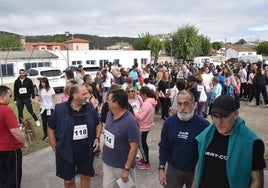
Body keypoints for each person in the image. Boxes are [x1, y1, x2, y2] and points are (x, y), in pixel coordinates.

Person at [193, 95, 266, 188]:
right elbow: (199, 167)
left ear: (235, 114)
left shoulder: (251, 143)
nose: (219, 122)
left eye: (224, 116)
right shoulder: (207, 135)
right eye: (215, 116)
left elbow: (257, 181)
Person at [48, 84, 102, 188]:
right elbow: (50, 131)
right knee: (68, 181)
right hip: (66, 152)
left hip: (86, 151)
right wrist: (56, 150)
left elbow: (98, 123)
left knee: (86, 177)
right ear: (74, 95)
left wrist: (97, 138)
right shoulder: (60, 109)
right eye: (84, 94)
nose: (88, 96)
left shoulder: (90, 107)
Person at [158, 90, 209, 188]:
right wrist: (161, 168)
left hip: (195, 172)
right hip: (173, 170)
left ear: (194, 104)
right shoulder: (169, 123)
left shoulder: (204, 126)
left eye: (186, 104)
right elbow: (164, 146)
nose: (182, 108)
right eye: (179, 104)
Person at [102, 89, 140, 188]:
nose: (107, 101)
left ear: (116, 104)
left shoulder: (130, 122)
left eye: (109, 100)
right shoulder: (109, 114)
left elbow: (134, 147)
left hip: (122, 166)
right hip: (107, 163)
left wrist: (126, 169)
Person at [0, 85, 30, 188]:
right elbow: (15, 131)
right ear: (4, 96)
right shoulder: (6, 110)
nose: (11, 97)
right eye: (10, 95)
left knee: (2, 177)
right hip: (10, 149)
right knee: (14, 177)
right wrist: (25, 142)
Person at [134, 86, 158, 170]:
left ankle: (146, 162)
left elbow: (140, 116)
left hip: (143, 127)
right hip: (147, 125)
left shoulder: (146, 103)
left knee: (142, 145)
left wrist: (133, 111)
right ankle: (144, 159)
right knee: (143, 144)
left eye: (140, 94)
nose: (140, 96)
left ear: (144, 94)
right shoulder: (151, 102)